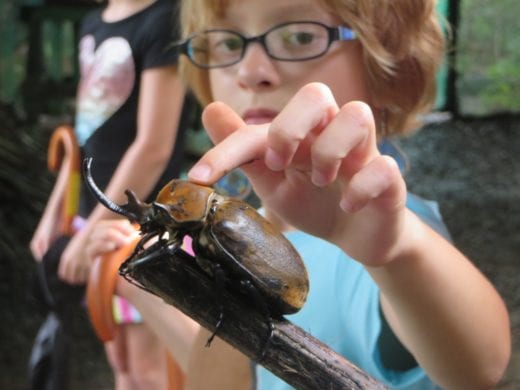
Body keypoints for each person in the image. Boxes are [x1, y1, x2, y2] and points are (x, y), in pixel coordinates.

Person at [86, 0, 511, 389]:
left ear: (391, 71)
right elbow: (233, 372)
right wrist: (152, 287)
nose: (252, 70)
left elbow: (478, 367)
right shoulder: (244, 225)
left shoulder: (377, 235)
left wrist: (400, 249)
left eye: (301, 37)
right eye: (226, 43)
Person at [29, 0, 194, 388]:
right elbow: (87, 133)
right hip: (96, 222)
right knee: (120, 363)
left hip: (142, 231)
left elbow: (154, 146)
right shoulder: (93, 23)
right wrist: (58, 212)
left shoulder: (167, 19)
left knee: (148, 369)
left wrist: (89, 233)